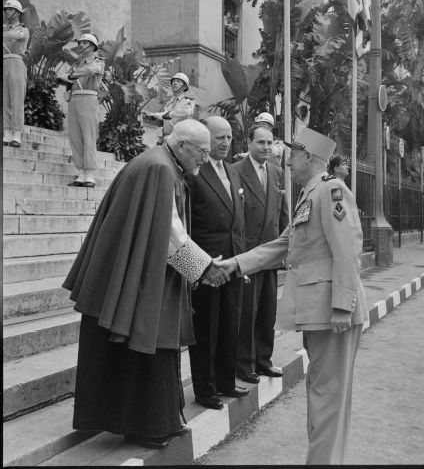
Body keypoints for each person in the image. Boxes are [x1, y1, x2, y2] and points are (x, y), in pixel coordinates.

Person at [62, 119, 230, 449]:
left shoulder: (161, 162)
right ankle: (145, 426)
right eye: (203, 152)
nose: (204, 160)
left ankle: (161, 420)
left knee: (151, 345)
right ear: (183, 147)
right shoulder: (160, 169)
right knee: (145, 341)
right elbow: (169, 234)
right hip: (135, 279)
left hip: (133, 273)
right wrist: (205, 268)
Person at [216, 126, 369, 465]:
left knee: (327, 397)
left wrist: (343, 306)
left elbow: (347, 252)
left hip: (334, 312)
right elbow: (281, 244)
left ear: (310, 158)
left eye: (293, 154)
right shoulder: (310, 194)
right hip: (319, 312)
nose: (286, 161)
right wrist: (234, 265)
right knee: (322, 393)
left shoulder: (332, 192)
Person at [188, 116, 247, 410]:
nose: (225, 143)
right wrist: (198, 265)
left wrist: (242, 261)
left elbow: (238, 222)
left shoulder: (233, 172)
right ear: (206, 141)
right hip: (207, 263)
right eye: (219, 138)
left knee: (229, 324)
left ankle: (226, 381)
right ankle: (205, 388)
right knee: (206, 328)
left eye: (229, 137)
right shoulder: (195, 173)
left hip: (232, 262)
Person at [231, 124, 289, 384]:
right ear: (249, 143)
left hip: (272, 251)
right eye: (261, 143)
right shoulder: (236, 172)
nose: (266, 147)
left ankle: (264, 360)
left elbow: (283, 214)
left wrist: (286, 249)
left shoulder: (277, 173)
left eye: (269, 143)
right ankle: (244, 364)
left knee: (268, 310)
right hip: (249, 252)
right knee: (247, 311)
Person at [63, 33, 104, 188]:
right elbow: (68, 80)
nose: (81, 45)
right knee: (76, 138)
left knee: (89, 136)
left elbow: (92, 70)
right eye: (80, 42)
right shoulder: (75, 64)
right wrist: (68, 86)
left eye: (85, 43)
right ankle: (80, 172)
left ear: (92, 46)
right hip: (74, 100)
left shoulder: (98, 61)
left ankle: (90, 174)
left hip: (89, 99)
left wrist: (71, 75)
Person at [3, 0, 29, 148]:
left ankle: (17, 134)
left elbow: (15, 35)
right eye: (5, 9)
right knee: (5, 99)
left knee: (16, 99)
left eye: (10, 9)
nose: (7, 11)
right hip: (4, 62)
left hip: (16, 62)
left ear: (18, 13)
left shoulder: (23, 29)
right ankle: (6, 133)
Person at [142, 72, 195, 144]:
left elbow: (187, 112)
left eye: (178, 81)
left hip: (180, 140)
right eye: (174, 81)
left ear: (185, 87)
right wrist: (153, 115)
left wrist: (170, 114)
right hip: (166, 139)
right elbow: (164, 118)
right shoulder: (169, 101)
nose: (175, 83)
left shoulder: (188, 101)